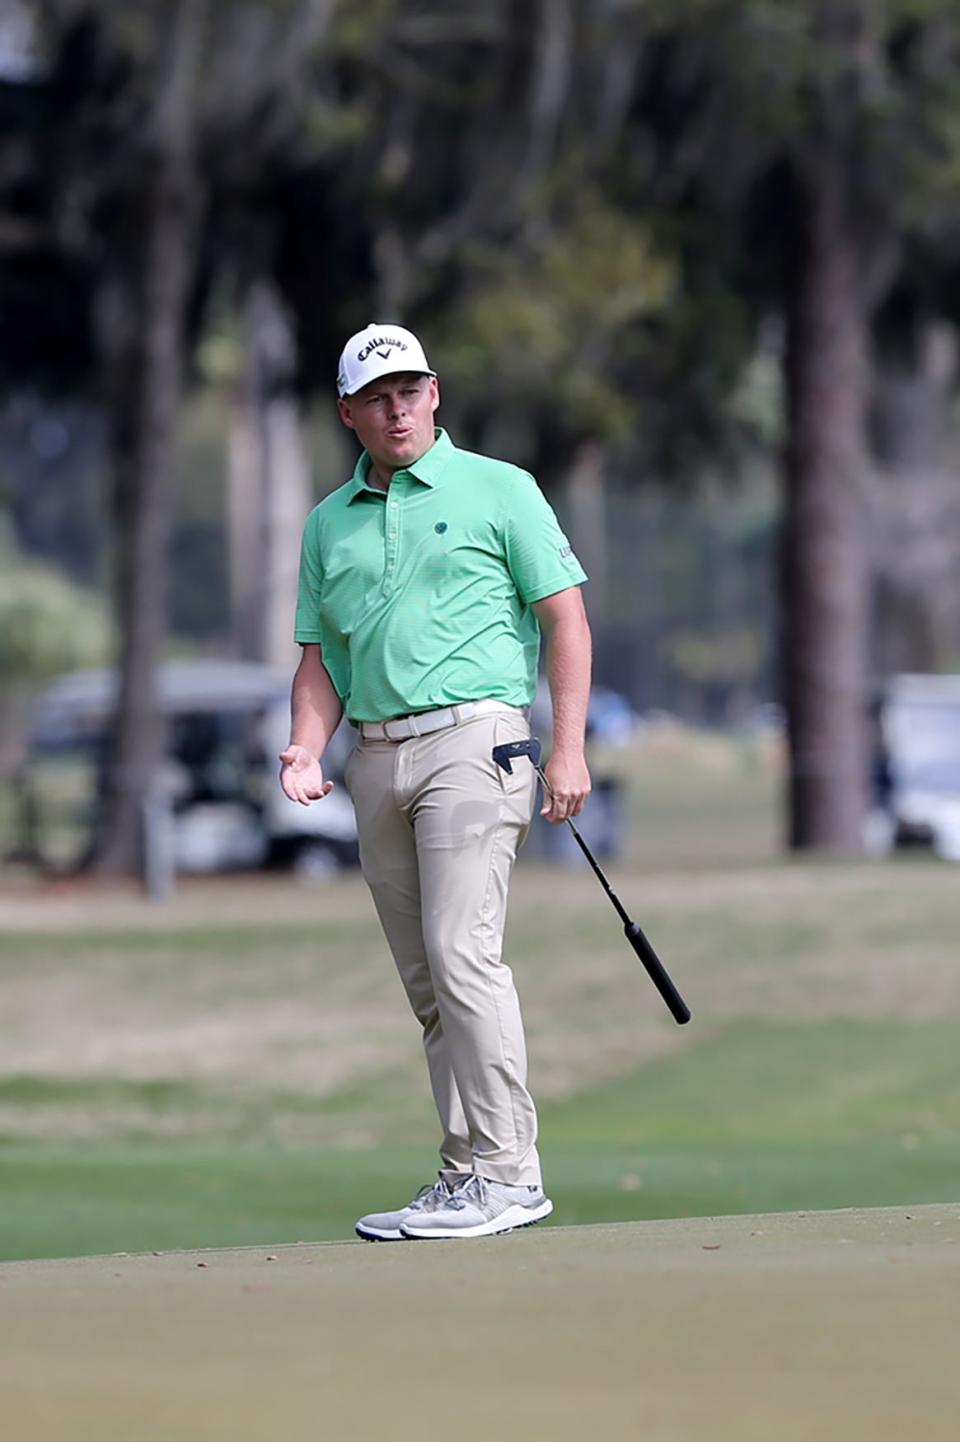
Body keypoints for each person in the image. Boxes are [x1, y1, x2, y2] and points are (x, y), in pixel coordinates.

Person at [279, 322, 592, 1241]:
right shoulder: (327, 524)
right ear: (349, 413)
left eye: (410, 389)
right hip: (372, 758)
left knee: (463, 955)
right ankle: (463, 1174)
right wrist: (305, 747)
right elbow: (320, 662)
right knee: (429, 984)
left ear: (435, 393)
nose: (397, 407)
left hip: (476, 742)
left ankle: (507, 1173)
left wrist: (566, 747)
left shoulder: (499, 489)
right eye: (377, 396)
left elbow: (565, 620)